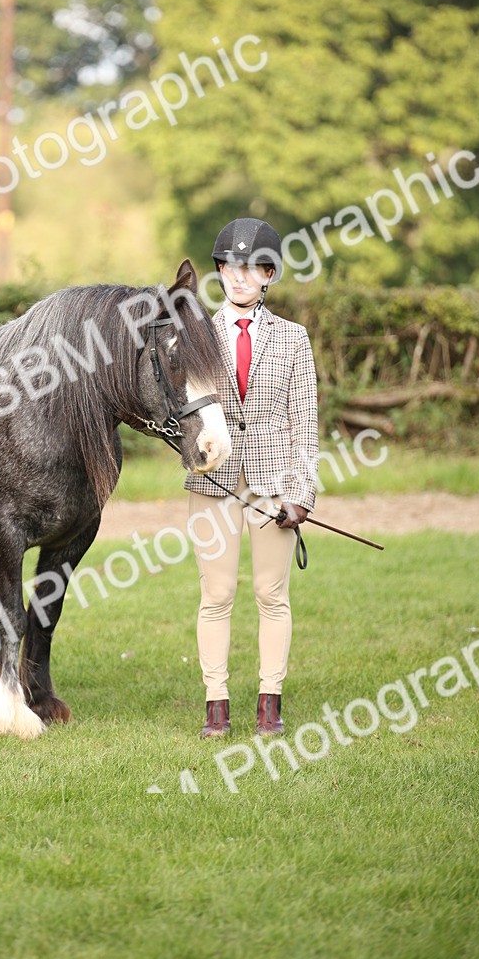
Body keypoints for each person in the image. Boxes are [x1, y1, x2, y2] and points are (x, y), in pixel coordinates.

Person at [186, 217, 319, 738]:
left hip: (272, 484)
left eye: (252, 268)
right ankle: (215, 701)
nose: (239, 276)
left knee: (271, 592)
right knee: (216, 593)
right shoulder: (198, 335)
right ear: (220, 271)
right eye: (230, 267)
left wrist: (301, 493)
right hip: (212, 483)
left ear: (268, 274)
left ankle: (270, 699)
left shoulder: (293, 338)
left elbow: (302, 421)